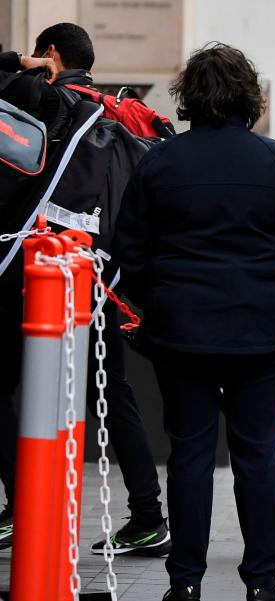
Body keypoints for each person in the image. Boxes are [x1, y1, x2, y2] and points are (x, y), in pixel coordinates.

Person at [113, 43, 275, 601]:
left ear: (190, 97)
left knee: (189, 454)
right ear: (247, 96)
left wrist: (157, 300)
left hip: (181, 329)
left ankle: (185, 582)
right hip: (259, 329)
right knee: (257, 455)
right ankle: (262, 582)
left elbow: (128, 252)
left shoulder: (160, 161)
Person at [0, 23, 171, 556]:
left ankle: (22, 505)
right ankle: (147, 514)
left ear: (50, 54)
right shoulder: (117, 110)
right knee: (112, 391)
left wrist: (18, 64)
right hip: (99, 273)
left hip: (37, 270)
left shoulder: (46, 99)